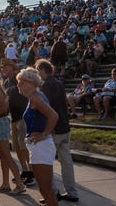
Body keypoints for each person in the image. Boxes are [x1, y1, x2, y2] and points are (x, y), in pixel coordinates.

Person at [36, 59, 79, 202]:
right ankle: (72, 192)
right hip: (64, 126)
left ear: (42, 70)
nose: (37, 73)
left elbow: (46, 108)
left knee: (46, 162)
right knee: (67, 162)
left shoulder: (46, 86)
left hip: (53, 129)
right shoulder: (59, 83)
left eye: (38, 70)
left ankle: (52, 193)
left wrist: (47, 129)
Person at [17, 67, 59, 206]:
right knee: (44, 190)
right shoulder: (34, 97)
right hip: (38, 147)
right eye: (18, 82)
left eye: (23, 82)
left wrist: (44, 134)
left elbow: (53, 116)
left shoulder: (36, 97)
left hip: (41, 147)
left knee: (47, 191)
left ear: (32, 83)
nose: (19, 85)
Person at [0, 70, 26, 196]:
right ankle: (5, 184)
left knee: (6, 155)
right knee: (2, 156)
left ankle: (19, 184)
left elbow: (4, 108)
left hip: (1, 124)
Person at [2, 59, 33, 186]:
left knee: (23, 146)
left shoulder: (17, 78)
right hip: (13, 117)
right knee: (17, 147)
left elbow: (23, 74)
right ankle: (25, 170)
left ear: (12, 67)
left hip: (22, 117)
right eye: (3, 67)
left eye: (6, 66)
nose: (4, 69)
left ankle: (32, 172)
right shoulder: (6, 82)